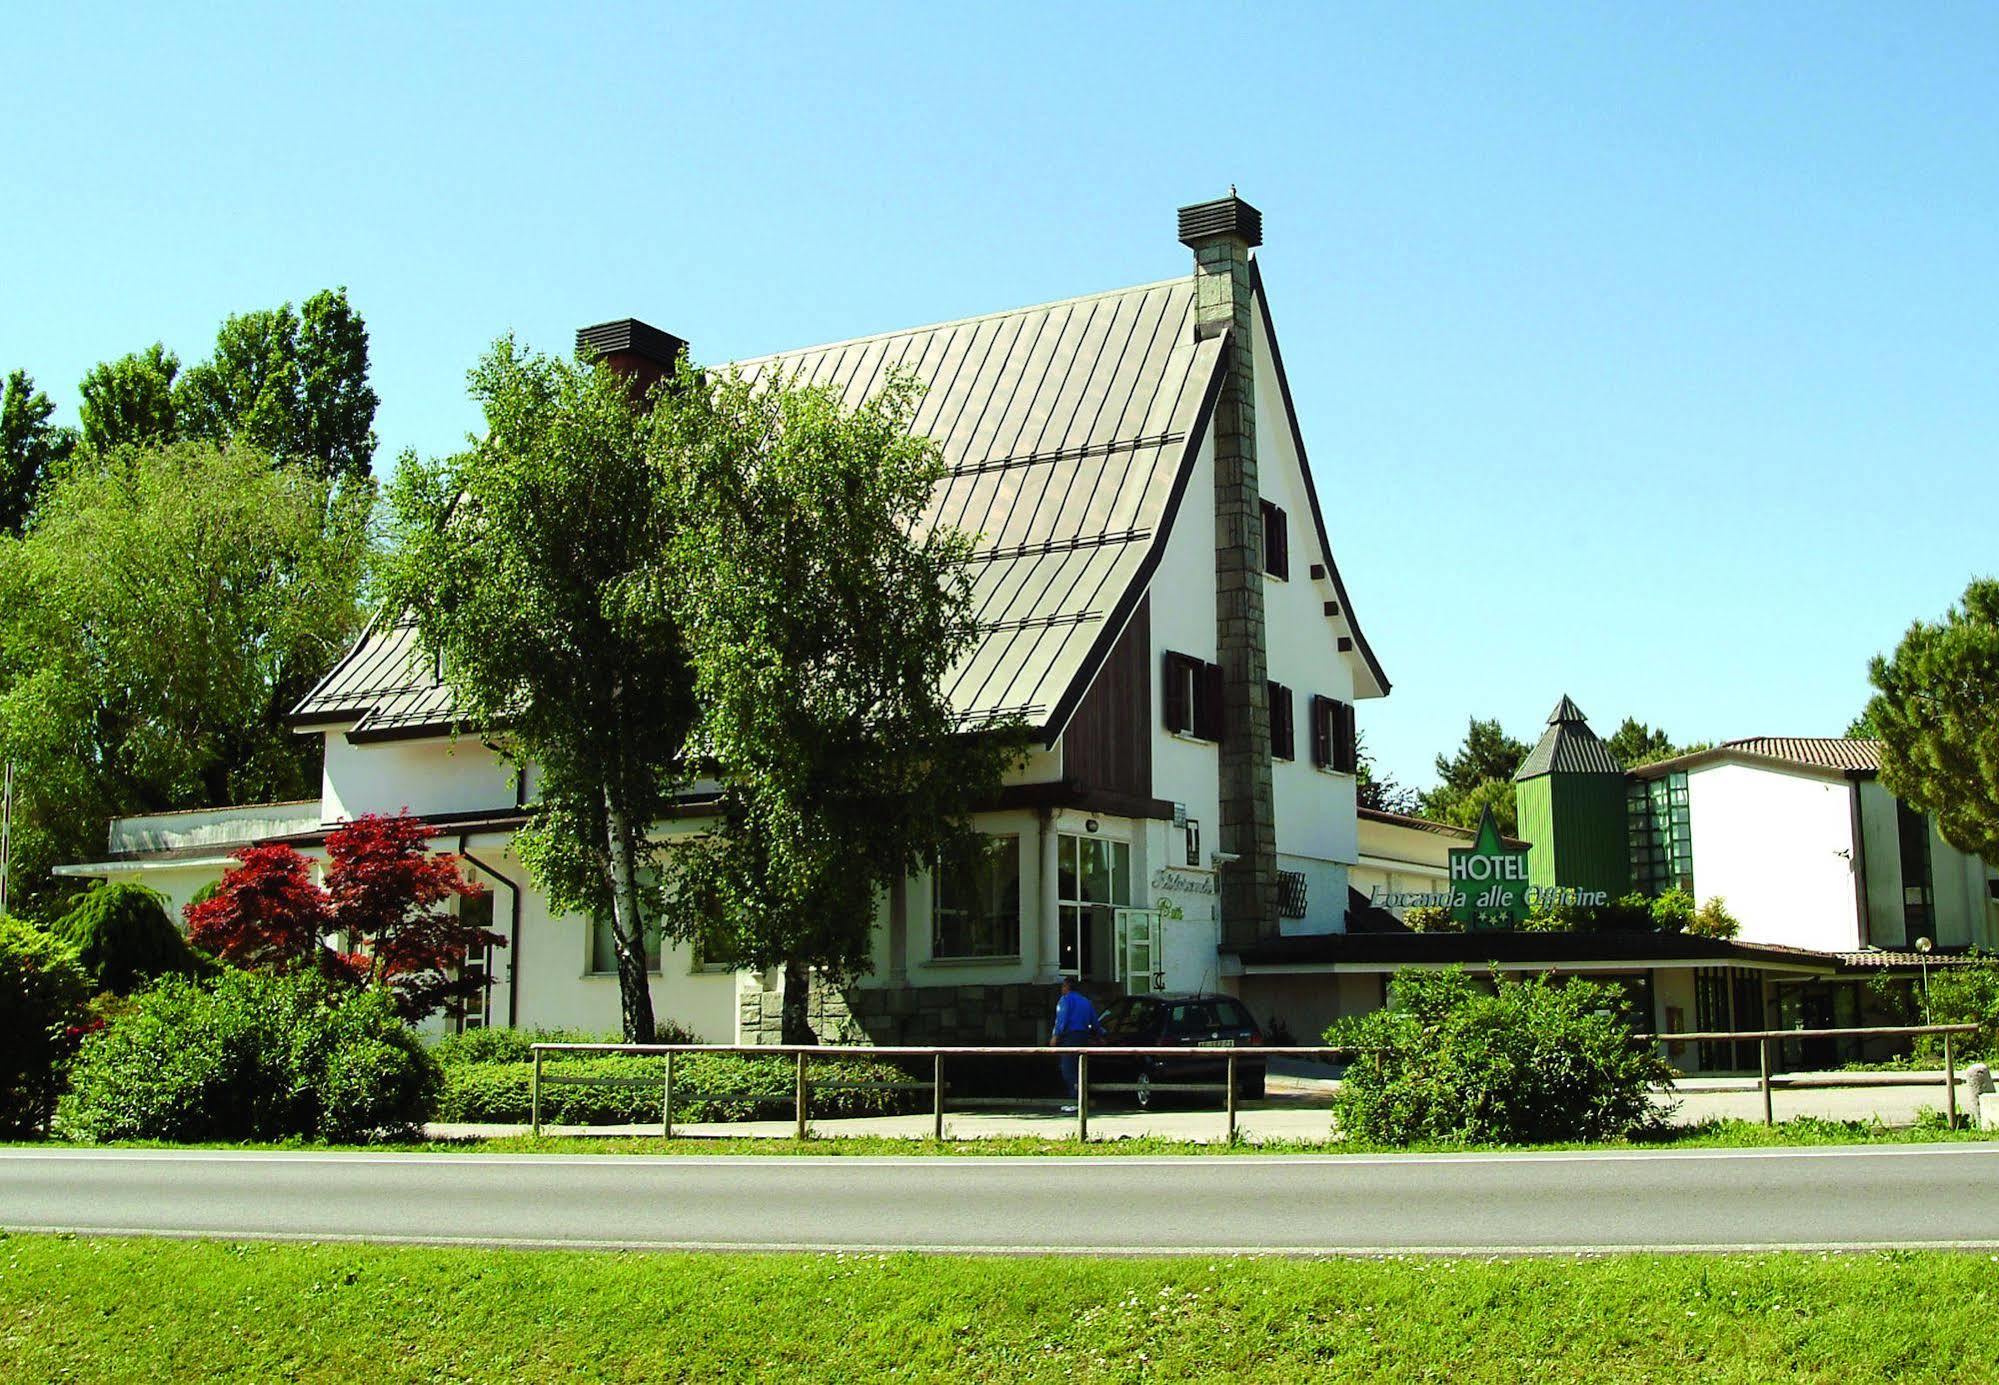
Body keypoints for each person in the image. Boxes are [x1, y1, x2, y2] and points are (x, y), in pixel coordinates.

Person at [1050, 977, 1103, 1114]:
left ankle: (1074, 1099)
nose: (1062, 989)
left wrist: (1055, 1036)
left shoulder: (1065, 1000)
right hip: (1083, 1036)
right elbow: (1094, 1022)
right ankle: (1080, 1097)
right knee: (1079, 1067)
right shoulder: (1086, 1002)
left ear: (1067, 987)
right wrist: (1101, 1035)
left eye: (1063, 986)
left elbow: (1061, 1019)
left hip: (1070, 1037)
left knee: (1067, 1068)